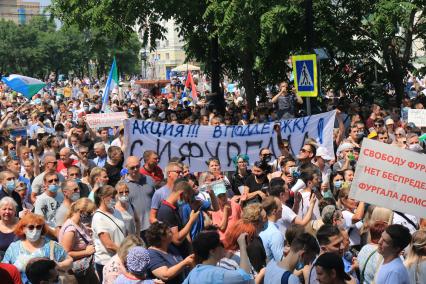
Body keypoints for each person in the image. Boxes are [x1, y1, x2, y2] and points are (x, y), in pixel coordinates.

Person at [2, 213, 72, 283]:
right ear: (23, 228)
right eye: (31, 227)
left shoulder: (52, 245)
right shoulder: (13, 248)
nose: (35, 230)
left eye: (38, 227)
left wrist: (58, 265)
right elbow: (5, 268)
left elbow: (69, 261)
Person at [183, 230, 253, 284]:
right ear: (212, 251)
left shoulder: (194, 272)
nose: (223, 245)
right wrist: (242, 246)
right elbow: (244, 275)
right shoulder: (215, 273)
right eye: (220, 244)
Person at [58, 198, 98, 284]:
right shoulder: (70, 230)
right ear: (81, 211)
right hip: (77, 274)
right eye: (89, 213)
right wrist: (86, 252)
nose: (91, 215)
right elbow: (66, 254)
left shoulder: (78, 223)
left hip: (86, 271)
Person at [92, 185, 126, 282]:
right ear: (103, 198)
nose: (115, 198)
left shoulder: (117, 212)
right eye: (112, 196)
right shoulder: (98, 217)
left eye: (116, 195)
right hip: (106, 262)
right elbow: (108, 244)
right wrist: (125, 253)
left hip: (120, 258)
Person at [157, 180, 200, 258]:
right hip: (175, 256)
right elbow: (176, 240)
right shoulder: (167, 211)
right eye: (187, 199)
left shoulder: (173, 208)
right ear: (181, 194)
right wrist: (191, 221)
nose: (186, 202)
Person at [123, 156, 154, 240]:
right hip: (136, 230)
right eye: (132, 167)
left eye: (137, 166)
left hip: (153, 226)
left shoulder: (149, 179)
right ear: (126, 168)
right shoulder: (122, 185)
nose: (135, 169)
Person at [259, 196, 284, 262]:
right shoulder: (275, 234)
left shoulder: (260, 227)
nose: (282, 208)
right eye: (280, 207)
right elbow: (281, 261)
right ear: (274, 212)